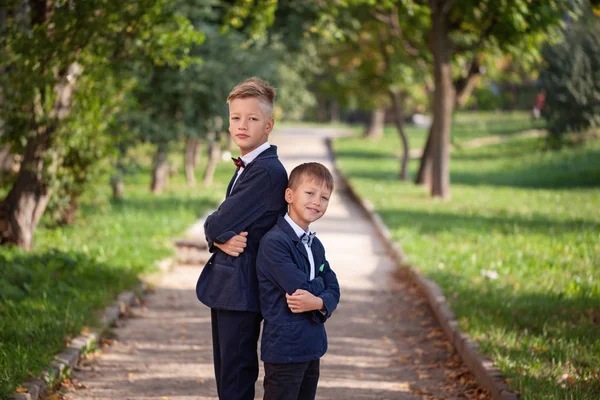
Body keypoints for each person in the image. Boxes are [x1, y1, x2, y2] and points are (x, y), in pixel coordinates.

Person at [196, 77, 288, 400]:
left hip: (242, 290)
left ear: (269, 125)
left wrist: (216, 232)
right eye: (236, 117)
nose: (241, 125)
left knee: (235, 380)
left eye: (252, 118)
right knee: (228, 378)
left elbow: (216, 222)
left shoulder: (265, 172)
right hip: (229, 287)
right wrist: (220, 240)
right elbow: (222, 229)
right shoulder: (247, 166)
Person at [256, 162, 341, 400]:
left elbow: (334, 286)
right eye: (310, 193)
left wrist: (319, 302)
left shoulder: (315, 244)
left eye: (324, 197)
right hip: (285, 348)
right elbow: (300, 289)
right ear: (289, 195)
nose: (317, 202)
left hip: (311, 346)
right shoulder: (274, 243)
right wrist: (323, 293)